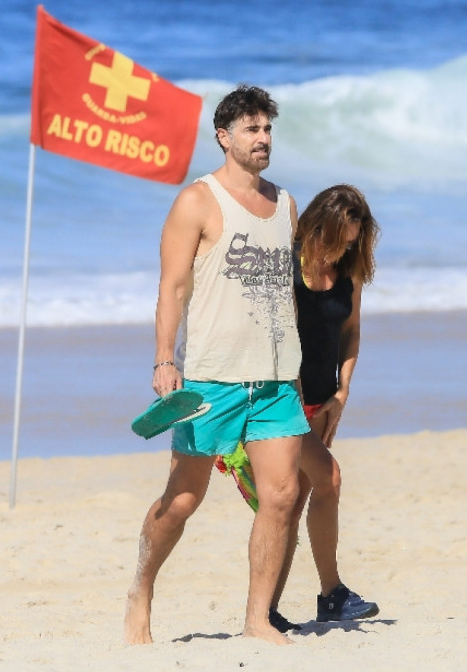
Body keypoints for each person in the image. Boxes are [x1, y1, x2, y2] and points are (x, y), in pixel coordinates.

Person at [124, 85, 309, 646]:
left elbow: (286, 294)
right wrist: (164, 358)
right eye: (252, 129)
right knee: (183, 499)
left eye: (268, 129)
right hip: (211, 378)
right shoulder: (197, 201)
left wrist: (298, 367)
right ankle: (141, 589)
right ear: (224, 137)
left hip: (275, 379)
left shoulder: (286, 203)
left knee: (281, 497)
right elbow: (173, 286)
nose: (263, 138)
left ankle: (257, 618)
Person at [267, 184, 381, 633]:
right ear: (321, 226)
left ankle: (268, 609)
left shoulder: (348, 273)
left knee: (293, 501)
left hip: (322, 399)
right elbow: (275, 332)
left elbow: (351, 332)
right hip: (283, 398)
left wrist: (343, 391)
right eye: (341, 239)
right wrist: (292, 395)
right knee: (325, 480)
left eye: (354, 241)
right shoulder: (288, 265)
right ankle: (331, 593)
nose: (346, 249)